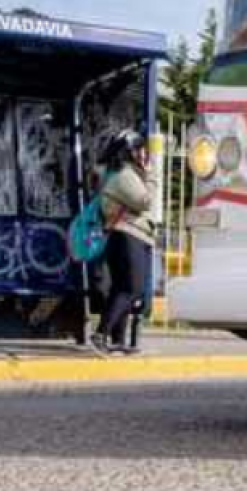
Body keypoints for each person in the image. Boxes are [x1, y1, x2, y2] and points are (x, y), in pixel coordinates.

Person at [95, 131, 155, 355]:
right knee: (132, 288)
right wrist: (151, 176)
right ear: (128, 152)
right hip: (128, 236)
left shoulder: (118, 174)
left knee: (123, 288)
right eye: (139, 149)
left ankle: (117, 339)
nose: (143, 154)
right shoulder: (124, 175)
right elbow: (145, 201)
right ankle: (100, 333)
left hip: (123, 237)